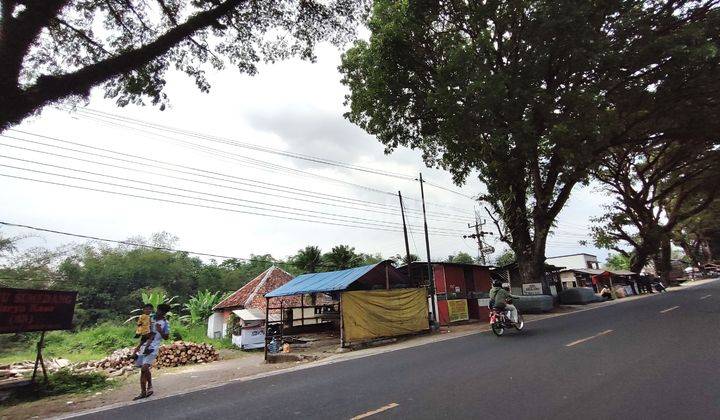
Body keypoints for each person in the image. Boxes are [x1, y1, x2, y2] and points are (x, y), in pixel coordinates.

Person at [134, 303, 170, 400]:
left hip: (154, 347)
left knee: (144, 368)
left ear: (164, 313)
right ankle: (146, 389)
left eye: (159, 311)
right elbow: (144, 333)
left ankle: (144, 390)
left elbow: (166, 337)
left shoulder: (165, 323)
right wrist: (139, 346)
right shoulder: (150, 318)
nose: (157, 312)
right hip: (145, 345)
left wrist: (160, 330)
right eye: (157, 310)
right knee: (144, 369)